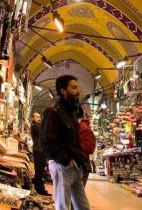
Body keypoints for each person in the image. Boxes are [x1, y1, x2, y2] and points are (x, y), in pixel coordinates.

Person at [40, 76, 90, 210]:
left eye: (77, 87)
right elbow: (46, 142)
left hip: (74, 166)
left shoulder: (71, 113)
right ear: (63, 91)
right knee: (62, 206)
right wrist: (65, 161)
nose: (78, 91)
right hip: (62, 166)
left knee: (83, 206)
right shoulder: (53, 112)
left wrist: (79, 160)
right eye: (73, 88)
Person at [31, 111, 49, 195]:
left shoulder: (39, 126)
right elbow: (44, 132)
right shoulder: (35, 127)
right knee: (39, 171)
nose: (39, 118)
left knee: (40, 171)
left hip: (41, 151)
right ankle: (40, 189)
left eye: (39, 117)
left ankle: (38, 187)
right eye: (37, 117)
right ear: (33, 118)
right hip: (38, 151)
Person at [76, 108, 96, 182]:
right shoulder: (82, 126)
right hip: (81, 163)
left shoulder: (82, 127)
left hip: (81, 164)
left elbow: (89, 147)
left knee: (76, 191)